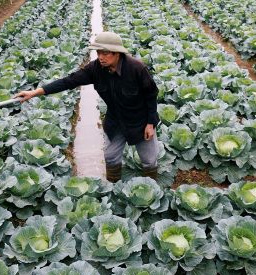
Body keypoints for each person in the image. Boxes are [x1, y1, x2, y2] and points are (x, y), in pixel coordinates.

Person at [16, 31, 160, 182]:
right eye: (98, 52)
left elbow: (151, 95)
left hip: (140, 121)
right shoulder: (95, 69)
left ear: (117, 53)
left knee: (149, 161)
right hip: (115, 120)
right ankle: (113, 189)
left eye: (105, 53)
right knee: (110, 157)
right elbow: (68, 81)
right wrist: (35, 93)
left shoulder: (136, 69)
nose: (101, 57)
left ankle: (151, 184)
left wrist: (150, 123)